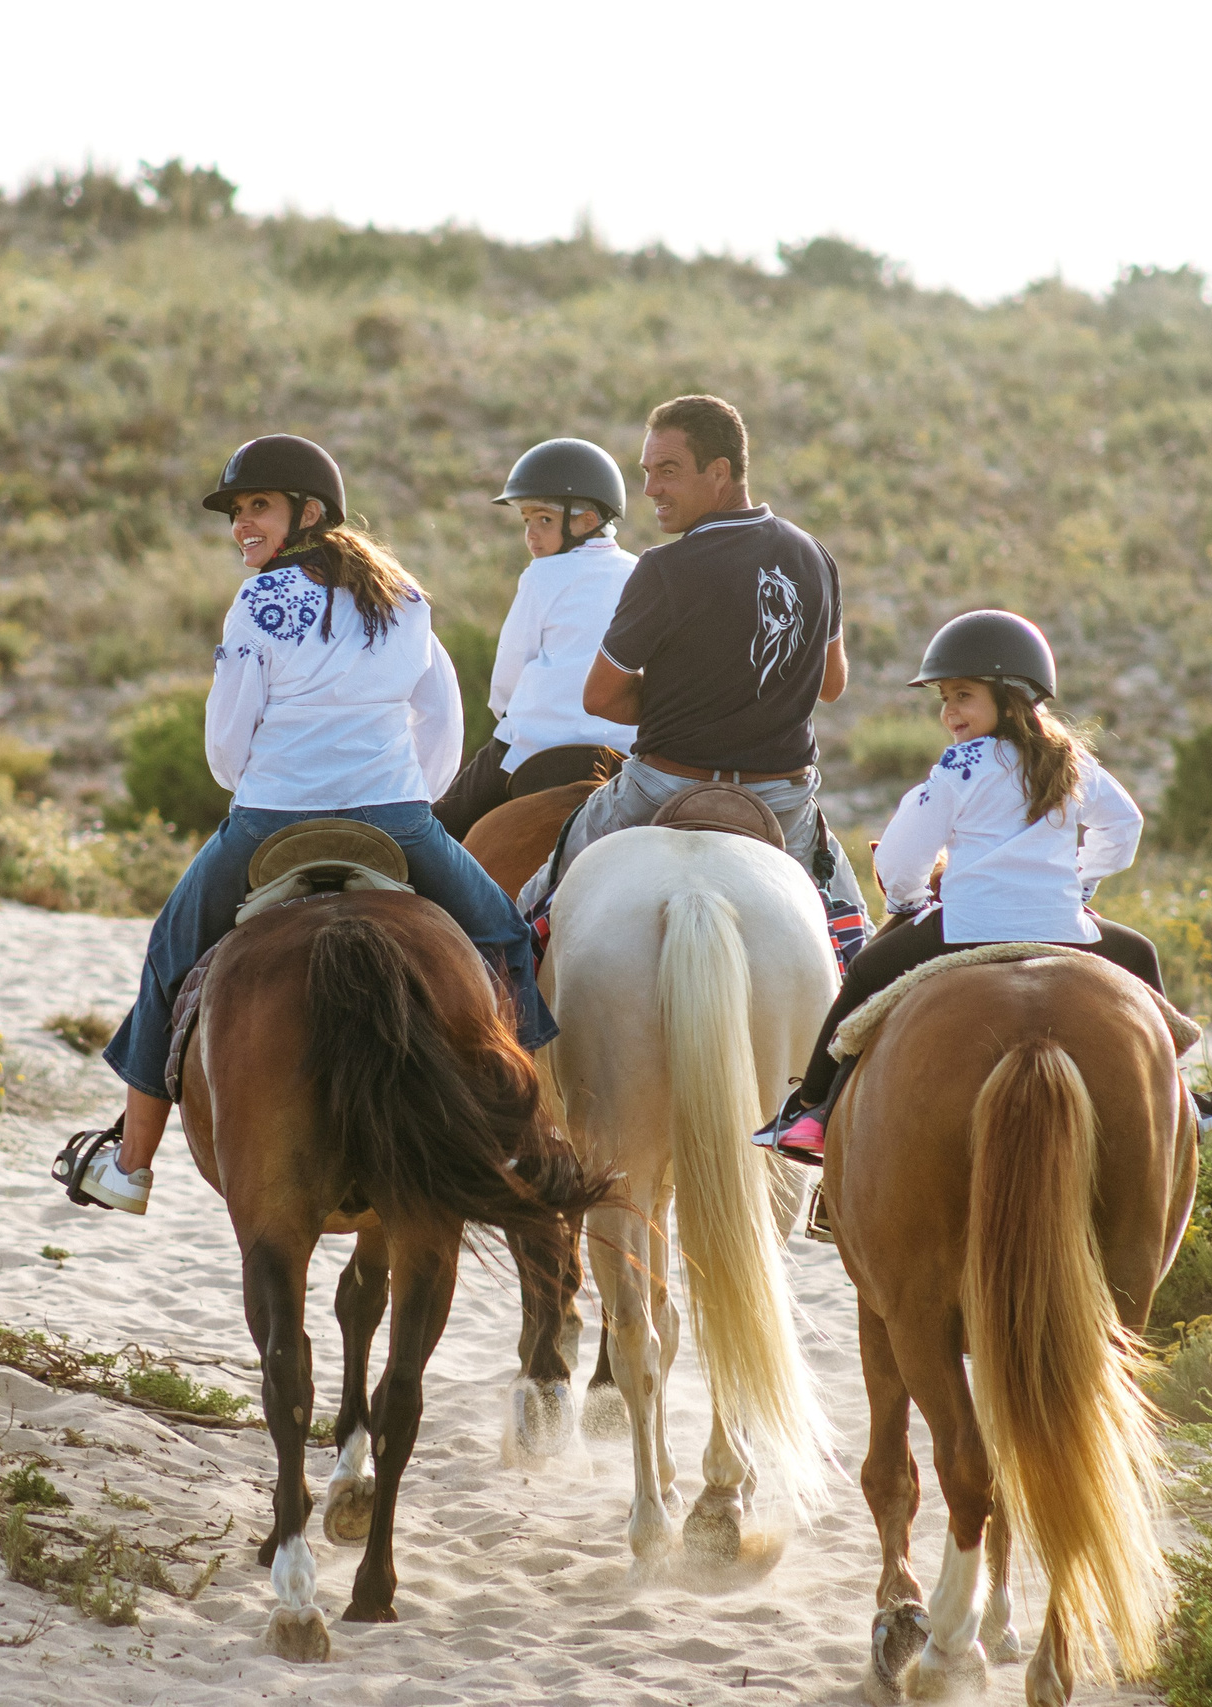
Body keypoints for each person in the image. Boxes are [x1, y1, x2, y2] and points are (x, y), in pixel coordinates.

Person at [56, 433, 559, 1215]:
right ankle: (533, 1139)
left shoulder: (258, 602)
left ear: (308, 511)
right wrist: (412, 798)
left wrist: (258, 779)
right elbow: (440, 714)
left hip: (270, 821)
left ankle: (130, 1165)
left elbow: (225, 741)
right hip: (395, 821)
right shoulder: (404, 596)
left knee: (167, 955)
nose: (240, 526)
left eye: (256, 506)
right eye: (237, 511)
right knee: (503, 940)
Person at [758, 609, 1212, 1174]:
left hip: (966, 927)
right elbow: (1124, 824)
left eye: (962, 696)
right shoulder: (1069, 760)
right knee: (1141, 956)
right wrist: (1082, 882)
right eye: (944, 699)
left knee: (863, 975)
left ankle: (810, 1108)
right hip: (1063, 927)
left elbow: (907, 853)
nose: (948, 713)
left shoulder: (960, 765)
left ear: (1010, 700)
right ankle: (1177, 1094)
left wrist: (905, 902)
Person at [513, 394, 868, 933]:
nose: (651, 489)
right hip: (783, 800)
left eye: (669, 471)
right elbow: (834, 684)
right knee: (850, 937)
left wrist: (687, 703)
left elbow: (600, 697)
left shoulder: (664, 569)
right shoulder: (814, 555)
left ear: (719, 471)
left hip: (663, 788)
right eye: (648, 472)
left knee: (534, 911)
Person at [431, 438, 639, 841]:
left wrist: (503, 712)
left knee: (437, 835)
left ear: (586, 520)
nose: (531, 534)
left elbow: (511, 668)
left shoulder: (541, 576)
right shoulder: (641, 572)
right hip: (626, 750)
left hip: (537, 745)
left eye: (543, 519)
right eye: (526, 520)